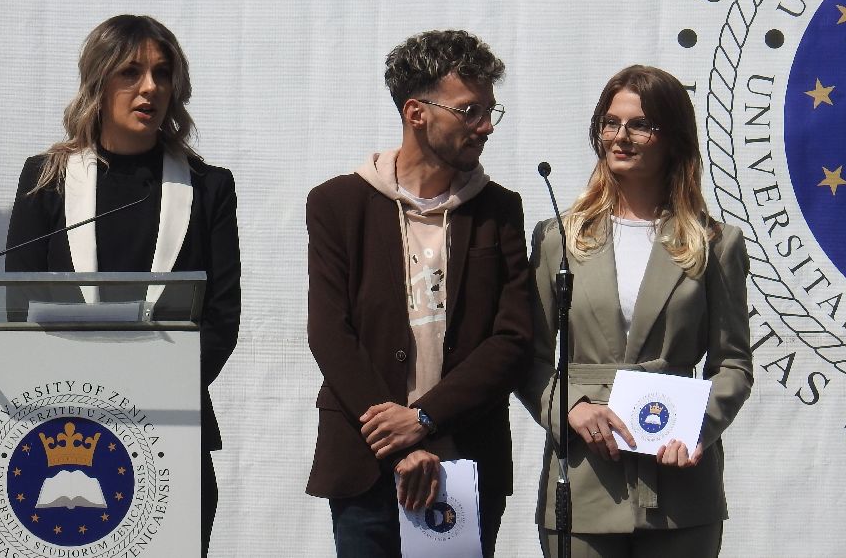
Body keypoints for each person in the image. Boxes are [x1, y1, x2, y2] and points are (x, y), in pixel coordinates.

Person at [5, 14, 241, 554]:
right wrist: (87, 394)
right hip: (62, 426)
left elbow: (221, 318)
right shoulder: (47, 178)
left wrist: (147, 391)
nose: (150, 87)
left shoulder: (208, 187)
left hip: (172, 425)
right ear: (99, 80)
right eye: (130, 72)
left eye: (162, 73)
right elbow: (19, 305)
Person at [305, 29, 533, 557]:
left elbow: (513, 338)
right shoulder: (337, 203)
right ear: (416, 113)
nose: (486, 126)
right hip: (365, 461)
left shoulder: (500, 210)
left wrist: (425, 419)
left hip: (464, 457)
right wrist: (396, 439)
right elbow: (330, 332)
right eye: (470, 111)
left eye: (490, 111)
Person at [519, 65, 753, 557]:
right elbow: (527, 356)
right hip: (584, 479)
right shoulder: (558, 238)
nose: (620, 136)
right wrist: (570, 408)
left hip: (680, 488)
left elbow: (732, 363)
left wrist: (697, 427)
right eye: (610, 122)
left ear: (674, 139)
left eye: (640, 125)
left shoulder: (716, 243)